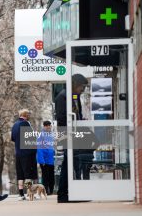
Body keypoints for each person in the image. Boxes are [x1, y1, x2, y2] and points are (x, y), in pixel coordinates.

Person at [55, 74, 88, 203]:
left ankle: (72, 193)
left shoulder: (74, 96)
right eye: (82, 86)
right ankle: (63, 194)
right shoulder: (62, 96)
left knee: (73, 163)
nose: (83, 89)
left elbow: (76, 115)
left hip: (73, 133)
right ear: (75, 84)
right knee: (68, 164)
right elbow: (63, 118)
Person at [11, 109, 38, 201]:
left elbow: (13, 138)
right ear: (26, 115)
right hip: (27, 152)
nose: (30, 115)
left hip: (18, 152)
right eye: (29, 114)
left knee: (20, 174)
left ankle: (21, 194)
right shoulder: (25, 123)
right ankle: (29, 193)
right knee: (28, 174)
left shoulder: (14, 125)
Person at [37, 121, 55, 195]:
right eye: (47, 126)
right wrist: (41, 160)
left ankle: (51, 191)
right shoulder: (41, 135)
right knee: (45, 176)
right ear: (44, 126)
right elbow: (39, 148)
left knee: (51, 176)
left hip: (51, 159)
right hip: (44, 160)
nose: (49, 127)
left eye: (49, 126)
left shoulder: (51, 134)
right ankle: (45, 191)